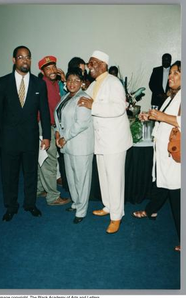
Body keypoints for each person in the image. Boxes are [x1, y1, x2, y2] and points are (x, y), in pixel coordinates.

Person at [0, 45, 51, 221]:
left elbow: (45, 111)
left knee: (31, 173)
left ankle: (30, 204)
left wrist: (47, 136)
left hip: (30, 138)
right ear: (13, 60)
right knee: (9, 176)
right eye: (20, 57)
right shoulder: (2, 83)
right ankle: (11, 207)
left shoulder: (39, 83)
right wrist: (4, 135)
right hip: (9, 139)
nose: (25, 60)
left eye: (28, 57)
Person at [78, 50, 133, 234]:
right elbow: (81, 98)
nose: (89, 65)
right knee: (104, 176)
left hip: (114, 141)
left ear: (103, 64)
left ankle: (117, 216)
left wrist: (93, 105)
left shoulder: (113, 82)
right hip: (100, 140)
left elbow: (118, 108)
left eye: (92, 62)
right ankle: (108, 206)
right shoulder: (94, 83)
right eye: (88, 62)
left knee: (115, 178)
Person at [132, 61, 181, 252]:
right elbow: (165, 118)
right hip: (163, 152)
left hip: (174, 155)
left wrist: (159, 116)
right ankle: (151, 211)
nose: (171, 76)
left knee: (176, 195)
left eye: (177, 73)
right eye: (171, 73)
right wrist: (151, 116)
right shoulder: (172, 96)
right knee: (162, 185)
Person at [54, 68, 94, 224]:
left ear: (82, 83)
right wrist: (57, 133)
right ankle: (76, 203)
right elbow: (58, 116)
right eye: (69, 80)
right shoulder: (66, 97)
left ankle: (82, 211)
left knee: (81, 179)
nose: (72, 83)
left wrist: (64, 137)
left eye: (76, 80)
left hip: (81, 146)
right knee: (71, 178)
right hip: (68, 145)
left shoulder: (83, 98)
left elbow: (81, 124)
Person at [37, 55, 70, 206]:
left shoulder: (56, 84)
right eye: (47, 68)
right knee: (50, 161)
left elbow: (68, 97)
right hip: (43, 126)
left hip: (52, 125)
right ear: (43, 71)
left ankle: (39, 189)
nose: (51, 70)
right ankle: (53, 197)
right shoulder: (41, 84)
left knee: (41, 159)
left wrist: (64, 79)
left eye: (53, 67)